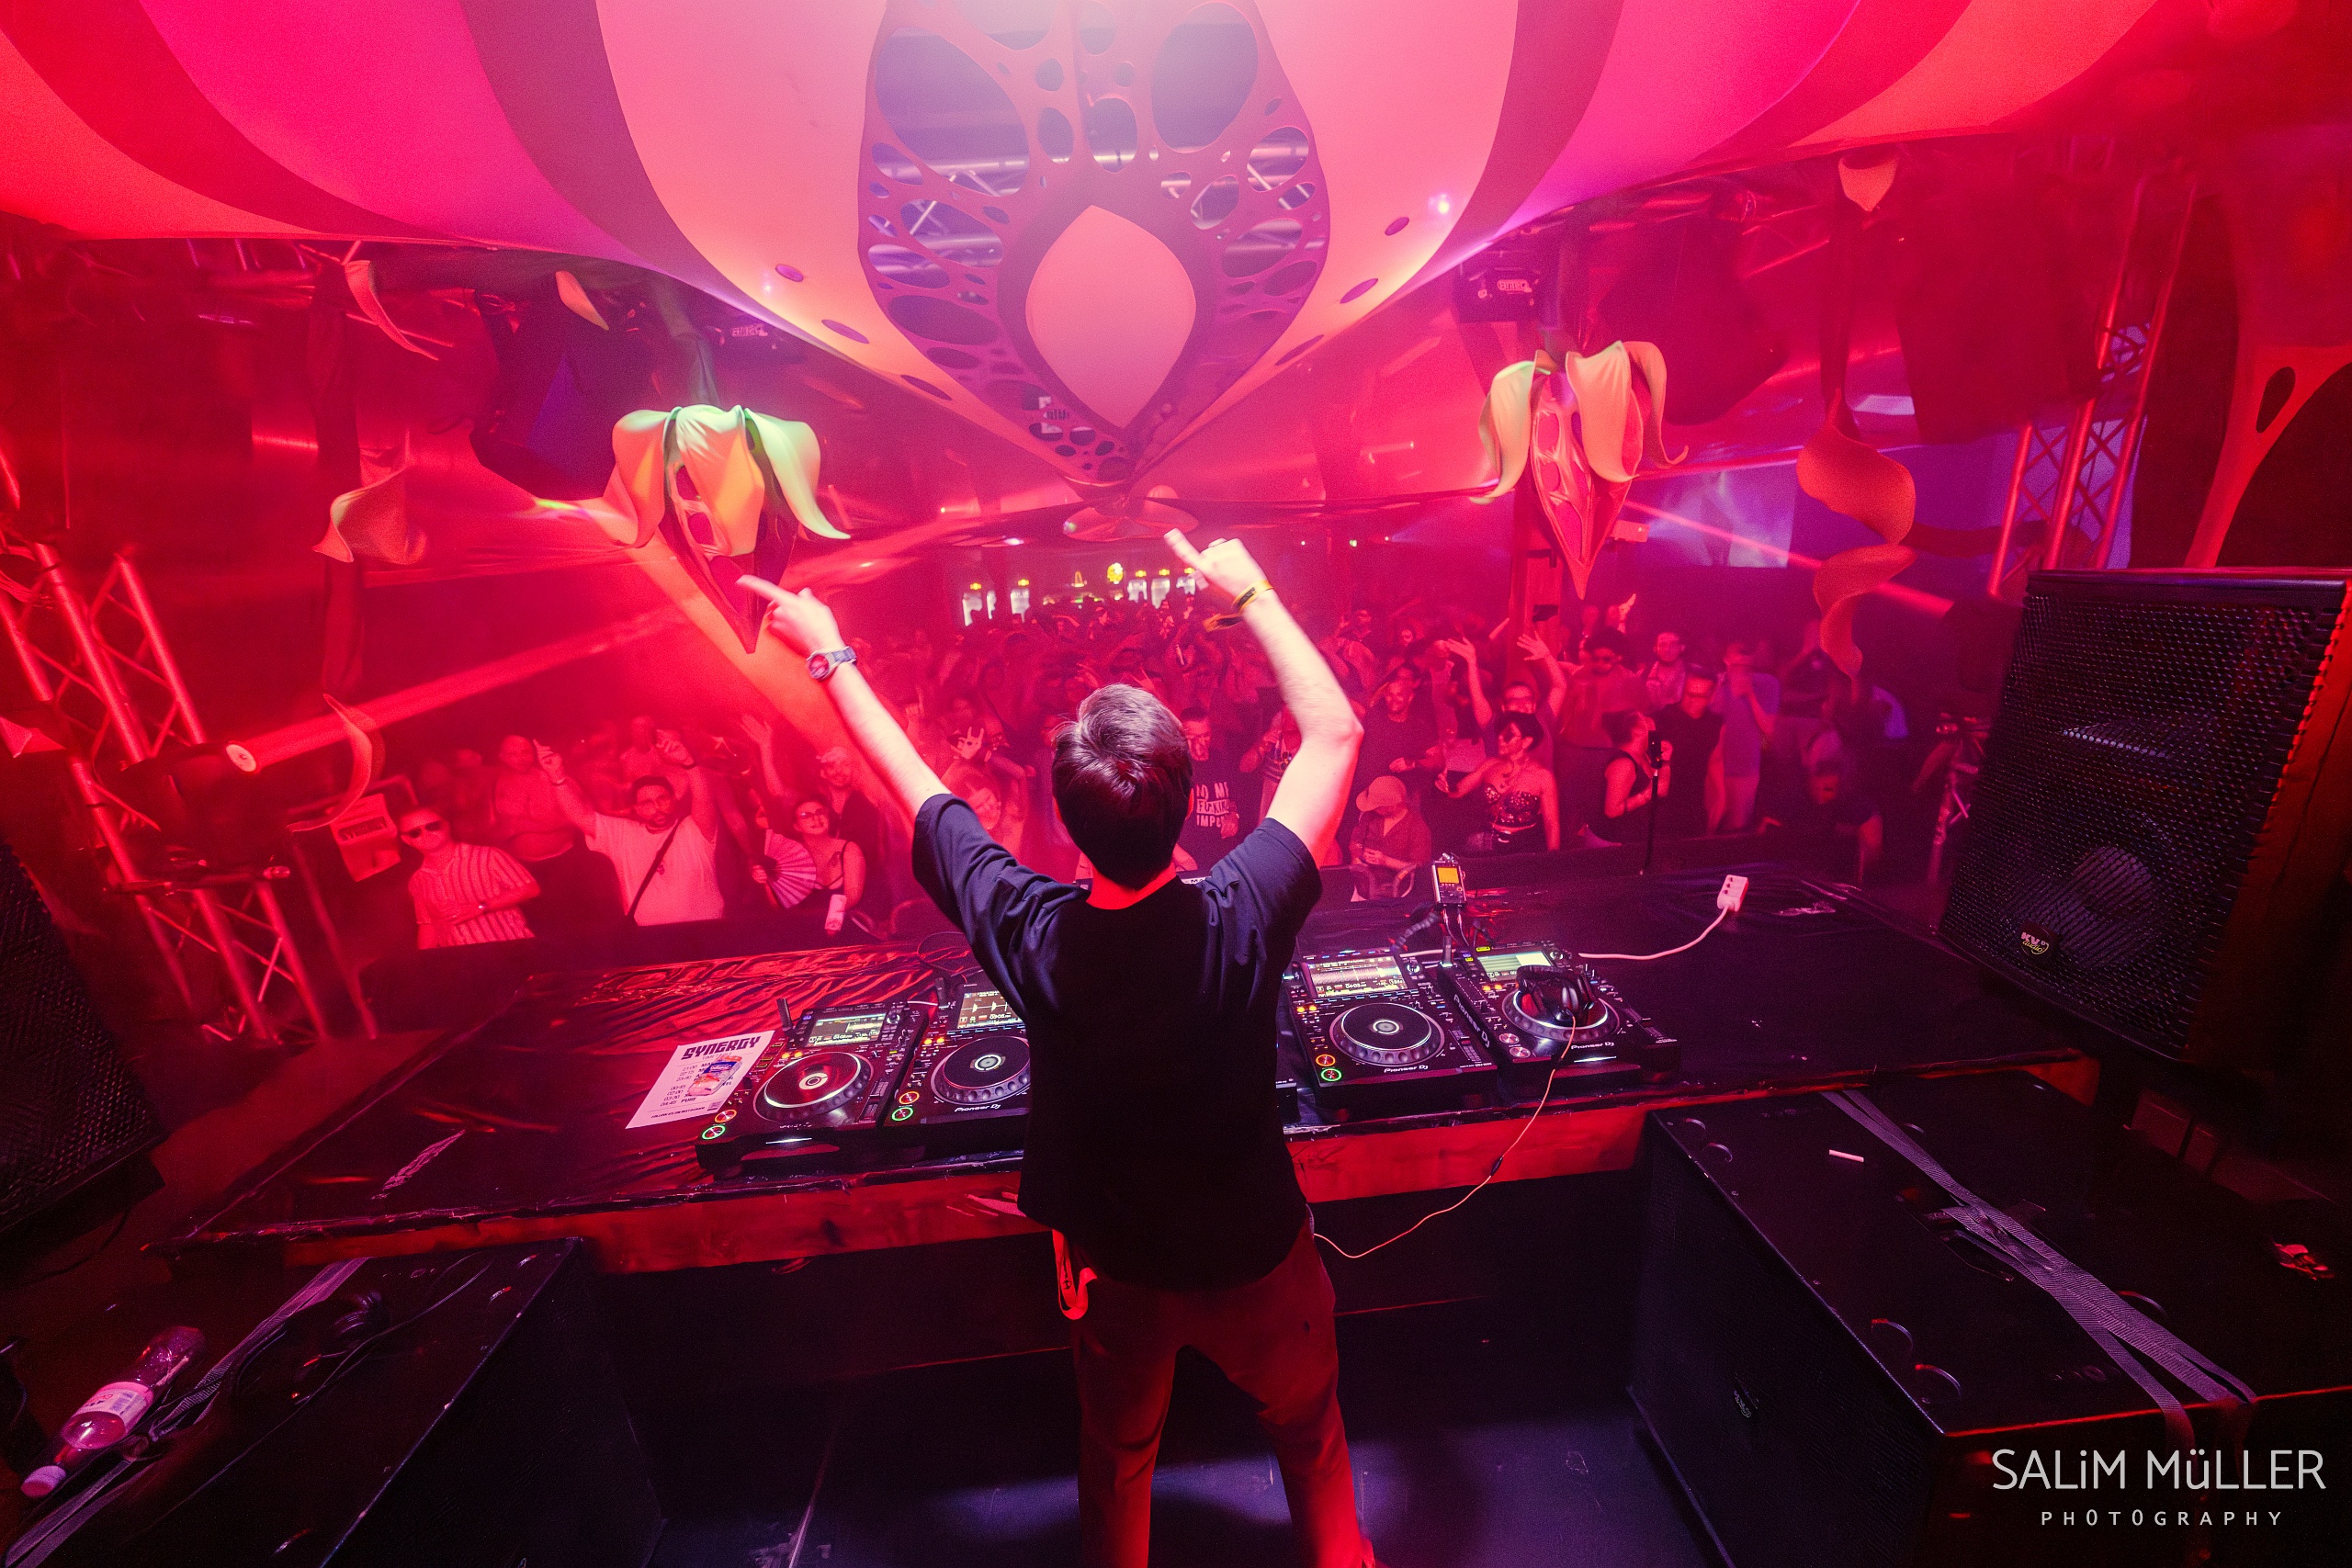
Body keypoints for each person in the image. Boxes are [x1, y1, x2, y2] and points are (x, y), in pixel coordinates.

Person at [741, 531, 1375, 1568]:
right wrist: (1251, 588)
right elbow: (1336, 732)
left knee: (1117, 1456)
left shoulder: (1031, 928)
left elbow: (913, 786)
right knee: (1309, 1433)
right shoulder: (1244, 907)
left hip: (1121, 1268)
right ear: (1186, 799)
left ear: (1070, 827)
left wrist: (830, 651)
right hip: (1260, 1256)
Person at [540, 731, 725, 926]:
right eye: (647, 803)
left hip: (706, 930)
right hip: (650, 936)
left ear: (673, 799)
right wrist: (557, 778)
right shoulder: (623, 834)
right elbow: (580, 815)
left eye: (662, 799)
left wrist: (688, 762)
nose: (657, 807)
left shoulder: (694, 828)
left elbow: (704, 798)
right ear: (636, 808)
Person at [398, 808, 537, 947]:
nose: (426, 834)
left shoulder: (488, 856)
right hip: (461, 958)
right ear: (406, 839)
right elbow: (428, 925)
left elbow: (530, 889)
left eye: (432, 826)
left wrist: (481, 907)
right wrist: (424, 959)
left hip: (508, 949)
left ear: (446, 825)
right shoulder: (418, 881)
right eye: (415, 833)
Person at [1443, 712, 1558, 852]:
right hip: (1488, 842)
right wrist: (1442, 784)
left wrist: (1553, 858)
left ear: (1526, 741)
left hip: (1524, 847)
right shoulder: (1490, 765)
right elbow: (1458, 791)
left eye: (1508, 735)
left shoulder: (1542, 776)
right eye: (1500, 733)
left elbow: (1551, 824)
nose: (1500, 738)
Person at [1759, 765, 1883, 880]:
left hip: (1840, 877)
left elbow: (1869, 851)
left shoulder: (1853, 810)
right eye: (1814, 788)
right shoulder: (1800, 804)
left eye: (1828, 789)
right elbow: (1769, 822)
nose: (1819, 794)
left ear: (1841, 789)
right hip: (1804, 872)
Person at [1709, 640, 1779, 831]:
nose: (1741, 669)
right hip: (1714, 763)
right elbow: (1710, 714)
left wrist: (1750, 695)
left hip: (1744, 764)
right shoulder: (1718, 684)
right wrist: (1720, 685)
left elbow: (1768, 727)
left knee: (1738, 823)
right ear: (1726, 661)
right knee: (1712, 820)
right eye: (1736, 664)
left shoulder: (1766, 684)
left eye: (1746, 665)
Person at [1650, 668, 1724, 839]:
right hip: (1661, 808)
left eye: (1700, 696)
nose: (1692, 701)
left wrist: (1719, 801)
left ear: (1711, 697)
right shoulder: (1660, 720)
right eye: (1689, 694)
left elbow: (1715, 765)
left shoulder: (1715, 724)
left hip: (1694, 808)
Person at [1176, 707, 1244, 870]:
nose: (1202, 742)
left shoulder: (1220, 759)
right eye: (1195, 737)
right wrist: (1182, 857)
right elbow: (1161, 823)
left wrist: (1234, 816)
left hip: (1224, 854)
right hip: (1192, 856)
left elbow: (1233, 797)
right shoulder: (1177, 767)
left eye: (1206, 735)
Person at [1590, 707, 1669, 846]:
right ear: (1637, 731)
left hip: (1637, 839)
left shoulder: (1643, 757)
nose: (1650, 721)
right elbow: (1612, 811)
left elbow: (1662, 790)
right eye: (1644, 719)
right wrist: (1646, 795)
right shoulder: (1623, 764)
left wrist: (1665, 760)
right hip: (1617, 844)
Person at [791, 796, 869, 936]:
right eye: (806, 815)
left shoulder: (849, 849)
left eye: (820, 812)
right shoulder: (793, 855)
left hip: (846, 932)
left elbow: (852, 896)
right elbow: (786, 901)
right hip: (803, 933)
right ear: (796, 826)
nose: (816, 818)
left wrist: (832, 924)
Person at [1348, 774, 1431, 898]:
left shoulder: (1418, 827)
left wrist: (1386, 861)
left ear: (1392, 805)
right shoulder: (1369, 816)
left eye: (1377, 806)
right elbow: (1355, 842)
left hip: (1397, 894)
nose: (1373, 809)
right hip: (1362, 888)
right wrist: (1357, 858)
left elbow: (1419, 868)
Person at [1641, 629, 1690, 711]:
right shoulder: (1643, 675)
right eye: (1662, 645)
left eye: (1673, 645)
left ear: (1682, 648)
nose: (1667, 649)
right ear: (1655, 649)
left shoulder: (1695, 673)